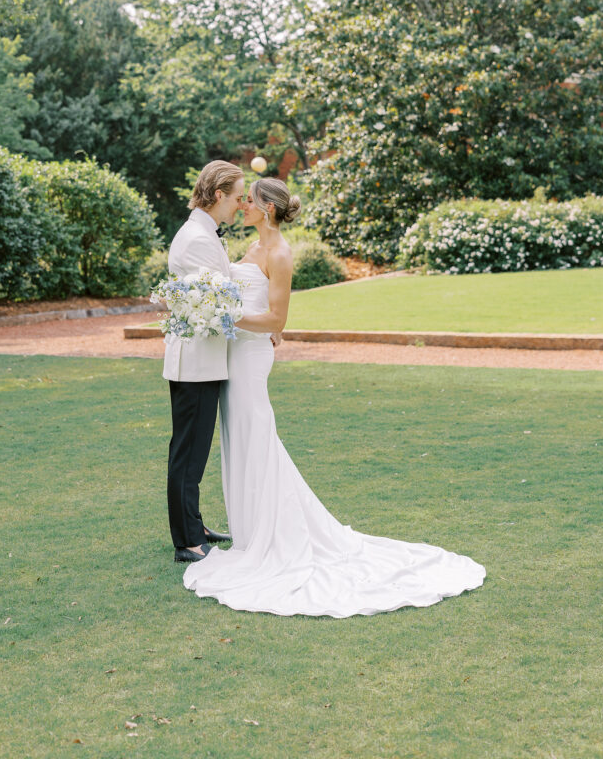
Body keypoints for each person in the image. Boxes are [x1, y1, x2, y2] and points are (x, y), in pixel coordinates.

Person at [183, 177, 486, 616]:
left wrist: (225, 315)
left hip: (249, 359)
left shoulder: (280, 253)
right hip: (235, 355)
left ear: (268, 209)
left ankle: (275, 536)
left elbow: (276, 320)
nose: (243, 205)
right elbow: (254, 305)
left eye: (250, 200)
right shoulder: (251, 247)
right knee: (241, 440)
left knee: (256, 434)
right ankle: (251, 534)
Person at [163, 160, 245, 564]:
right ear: (217, 195)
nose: (240, 204)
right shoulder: (196, 238)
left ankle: (195, 525)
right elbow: (220, 300)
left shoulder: (203, 232)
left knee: (196, 451)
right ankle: (188, 542)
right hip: (194, 362)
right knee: (188, 453)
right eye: (237, 197)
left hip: (204, 360)